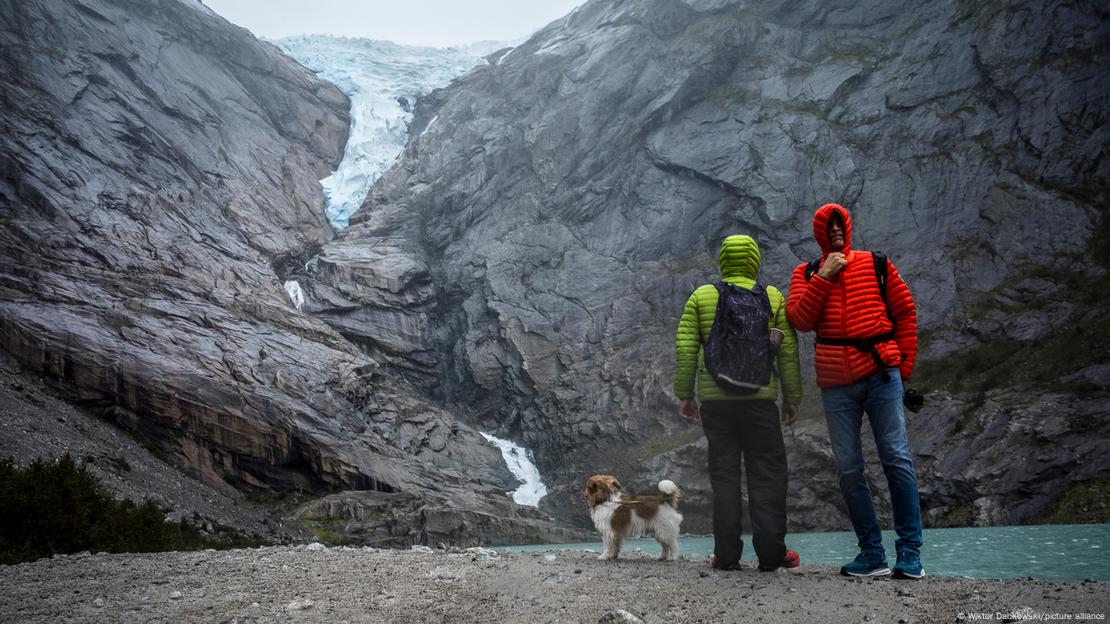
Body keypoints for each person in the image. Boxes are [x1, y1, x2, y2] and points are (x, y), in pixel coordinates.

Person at [785, 202, 924, 579]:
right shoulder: (807, 272)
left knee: (896, 458)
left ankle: (910, 553)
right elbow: (799, 319)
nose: (834, 233)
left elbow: (906, 312)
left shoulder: (877, 263)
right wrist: (824, 277)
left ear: (847, 227)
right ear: (818, 234)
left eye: (839, 226)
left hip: (881, 375)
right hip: (836, 385)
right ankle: (872, 554)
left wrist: (903, 367)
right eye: (827, 229)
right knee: (848, 469)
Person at [673, 234, 803, 572]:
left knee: (725, 478)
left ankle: (726, 556)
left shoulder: (702, 296)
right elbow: (788, 352)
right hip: (761, 402)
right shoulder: (772, 297)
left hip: (717, 403)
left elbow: (686, 347)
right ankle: (772, 555)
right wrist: (792, 398)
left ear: (723, 261)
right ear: (755, 261)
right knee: (768, 476)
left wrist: (685, 395)